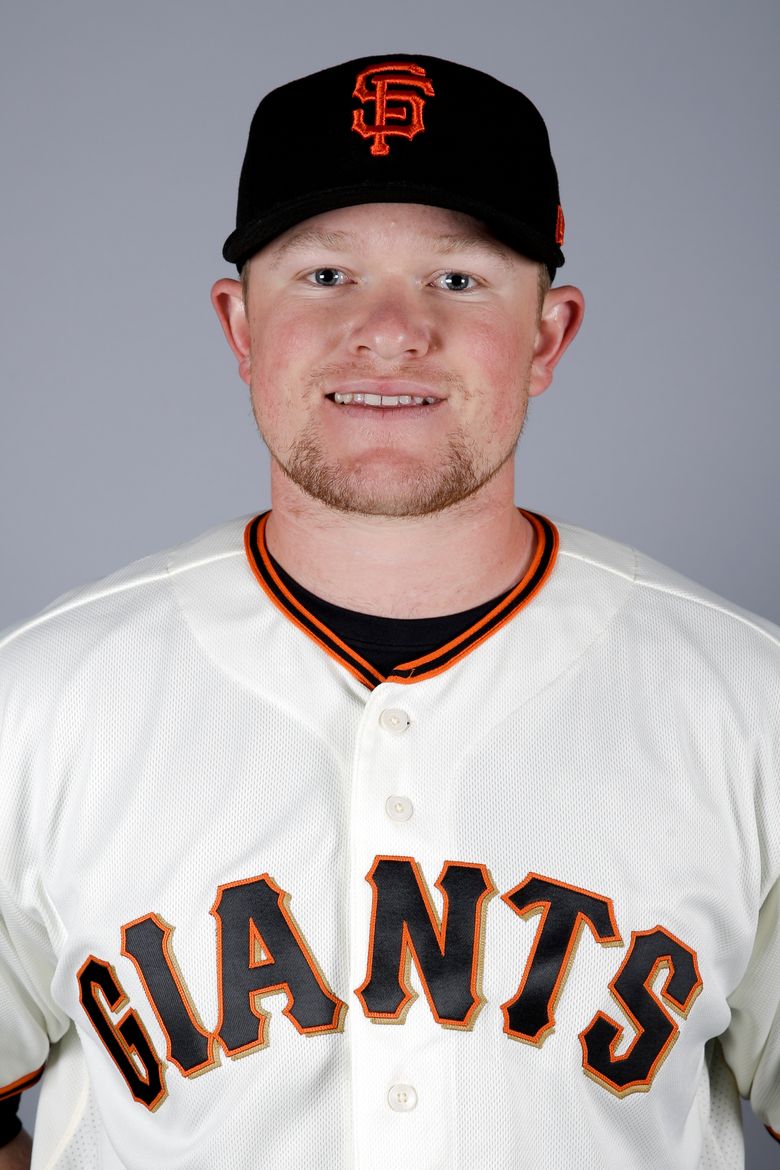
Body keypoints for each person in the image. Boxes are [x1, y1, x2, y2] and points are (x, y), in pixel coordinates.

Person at [1, 52, 778, 1170]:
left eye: (457, 280)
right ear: (239, 325)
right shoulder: (35, 704)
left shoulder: (751, 711)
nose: (390, 329)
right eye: (324, 275)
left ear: (549, 335)